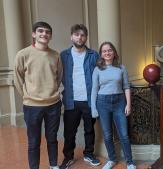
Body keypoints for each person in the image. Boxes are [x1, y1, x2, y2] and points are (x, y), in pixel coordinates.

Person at [14, 21, 62, 169]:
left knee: (52, 138)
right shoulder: (23, 54)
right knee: (34, 141)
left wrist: (54, 92)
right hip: (32, 106)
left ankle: (53, 165)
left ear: (51, 36)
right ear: (34, 34)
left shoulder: (55, 55)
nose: (44, 34)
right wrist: (27, 96)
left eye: (47, 32)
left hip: (53, 105)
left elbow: (58, 76)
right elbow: (17, 78)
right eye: (41, 31)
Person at [59, 24, 100, 169]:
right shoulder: (63, 55)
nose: (79, 37)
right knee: (69, 132)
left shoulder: (94, 55)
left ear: (86, 37)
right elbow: (57, 74)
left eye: (82, 35)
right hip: (71, 101)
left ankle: (89, 154)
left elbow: (101, 74)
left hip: (90, 100)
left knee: (89, 129)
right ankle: (68, 157)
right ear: (71, 36)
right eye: (77, 34)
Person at [91, 42, 136, 169]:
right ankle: (112, 159)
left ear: (114, 52)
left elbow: (126, 87)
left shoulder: (121, 68)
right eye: (104, 51)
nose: (107, 53)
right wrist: (94, 108)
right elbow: (94, 89)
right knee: (107, 134)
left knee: (124, 134)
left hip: (119, 102)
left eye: (109, 50)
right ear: (101, 54)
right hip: (102, 102)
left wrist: (128, 104)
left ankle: (130, 162)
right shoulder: (97, 69)